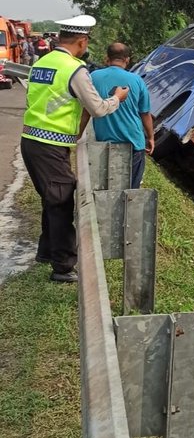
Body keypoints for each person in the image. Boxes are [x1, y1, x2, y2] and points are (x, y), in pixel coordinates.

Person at [21, 15, 130, 283]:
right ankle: (63, 266)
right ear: (82, 41)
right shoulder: (75, 69)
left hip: (32, 140)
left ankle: (48, 253)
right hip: (51, 144)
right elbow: (97, 109)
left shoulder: (41, 63)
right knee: (60, 201)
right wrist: (117, 97)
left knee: (51, 198)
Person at [87, 42, 154, 188]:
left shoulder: (93, 77)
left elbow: (86, 109)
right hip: (133, 142)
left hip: (104, 142)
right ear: (127, 59)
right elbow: (145, 113)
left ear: (107, 58)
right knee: (131, 188)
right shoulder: (137, 80)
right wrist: (150, 137)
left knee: (104, 186)